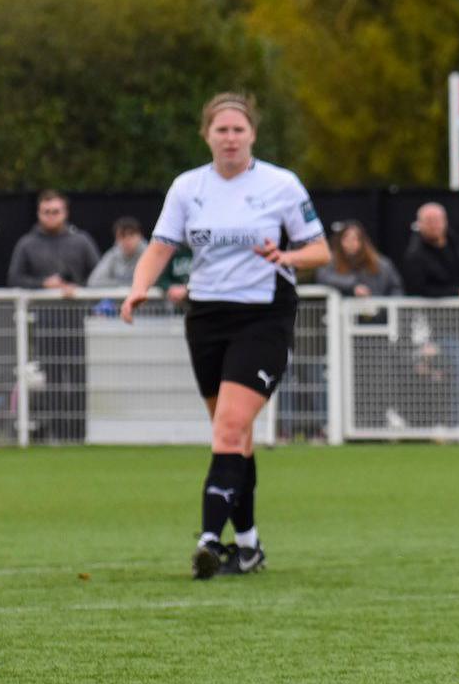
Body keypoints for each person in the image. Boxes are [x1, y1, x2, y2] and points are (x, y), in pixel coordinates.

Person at [121, 92, 328, 578]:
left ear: (252, 134)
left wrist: (288, 258)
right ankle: (250, 545)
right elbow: (160, 247)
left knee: (230, 428)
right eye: (222, 130)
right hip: (206, 317)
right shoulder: (188, 187)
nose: (230, 138)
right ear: (206, 135)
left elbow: (319, 250)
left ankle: (211, 539)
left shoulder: (281, 184)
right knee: (233, 436)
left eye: (239, 130)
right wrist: (138, 290)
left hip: (263, 317)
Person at [6, 191, 101, 293]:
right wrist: (43, 283)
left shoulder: (82, 241)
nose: (51, 216)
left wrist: (76, 287)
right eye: (46, 212)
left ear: (65, 213)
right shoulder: (26, 243)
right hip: (37, 307)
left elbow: (99, 276)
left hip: (77, 306)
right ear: (38, 213)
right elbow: (14, 279)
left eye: (55, 212)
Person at [400, 202, 459, 297]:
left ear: (445, 221)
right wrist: (455, 292)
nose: (433, 225)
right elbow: (417, 289)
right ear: (419, 224)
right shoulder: (414, 254)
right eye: (429, 221)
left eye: (436, 220)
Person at [316, 220, 403, 297]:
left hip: (377, 311)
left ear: (363, 241)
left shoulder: (381, 264)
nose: (351, 243)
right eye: (346, 239)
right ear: (339, 241)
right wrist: (353, 286)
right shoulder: (331, 261)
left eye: (355, 239)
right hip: (344, 312)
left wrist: (385, 309)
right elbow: (323, 277)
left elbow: (396, 288)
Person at [88, 217, 147, 289]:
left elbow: (156, 282)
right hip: (119, 299)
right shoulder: (113, 254)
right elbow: (93, 282)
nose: (127, 240)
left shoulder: (149, 253)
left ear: (140, 236)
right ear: (116, 239)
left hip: (149, 299)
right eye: (122, 236)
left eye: (131, 234)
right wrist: (123, 285)